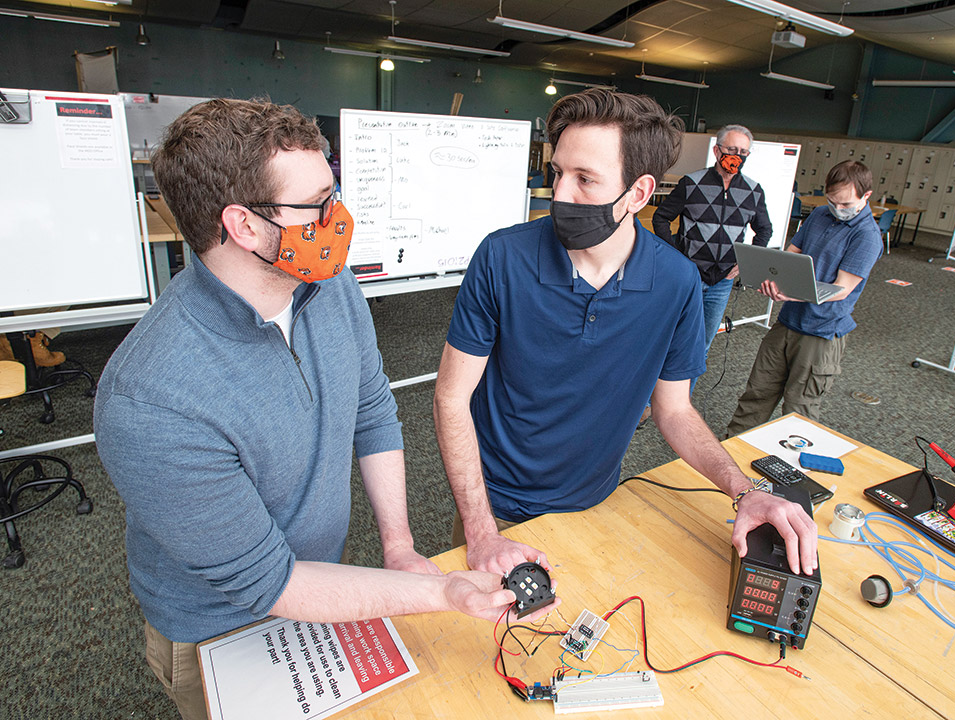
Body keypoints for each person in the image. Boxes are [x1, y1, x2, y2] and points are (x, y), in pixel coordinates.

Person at [94, 99, 525, 720]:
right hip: (220, 627)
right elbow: (270, 583)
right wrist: (439, 592)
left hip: (327, 581)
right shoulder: (151, 400)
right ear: (244, 226)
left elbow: (371, 409)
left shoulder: (327, 284)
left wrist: (399, 547)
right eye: (319, 203)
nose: (338, 216)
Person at [433, 89, 817, 583]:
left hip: (600, 502)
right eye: (558, 173)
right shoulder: (502, 258)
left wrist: (744, 490)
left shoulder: (676, 282)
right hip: (495, 509)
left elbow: (674, 410)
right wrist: (480, 529)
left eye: (585, 179)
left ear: (638, 193)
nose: (561, 194)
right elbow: (451, 397)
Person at [726, 160, 883, 437]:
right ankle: (731, 450)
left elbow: (842, 288)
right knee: (757, 393)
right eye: (833, 201)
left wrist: (792, 293)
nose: (838, 209)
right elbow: (790, 255)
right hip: (788, 323)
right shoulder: (820, 215)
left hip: (821, 333)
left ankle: (791, 471)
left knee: (799, 410)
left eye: (845, 204)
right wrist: (771, 276)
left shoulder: (866, 236)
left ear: (866, 196)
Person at [652, 124, 772, 387]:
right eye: (732, 149)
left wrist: (745, 263)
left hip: (722, 282)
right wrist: (675, 256)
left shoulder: (753, 190)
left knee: (702, 345)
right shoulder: (692, 183)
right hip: (688, 278)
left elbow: (764, 230)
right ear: (717, 151)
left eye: (743, 151)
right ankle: (651, 400)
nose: (737, 156)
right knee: (671, 339)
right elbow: (661, 218)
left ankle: (681, 403)